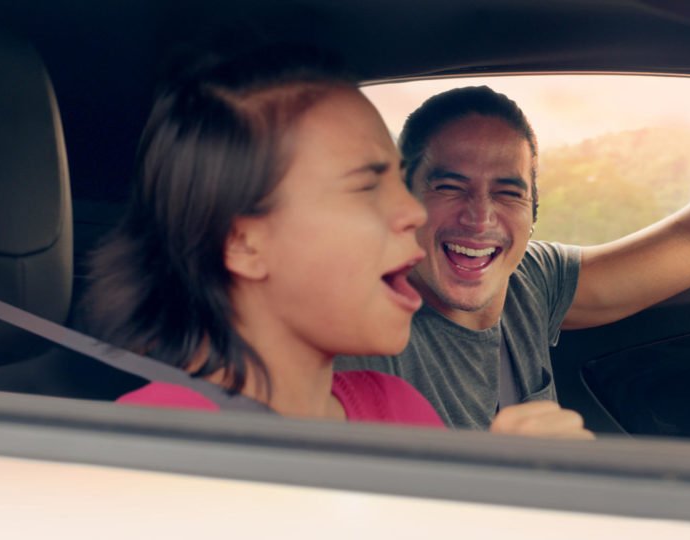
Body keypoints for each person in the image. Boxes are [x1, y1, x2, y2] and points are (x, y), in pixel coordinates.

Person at [337, 77, 690, 448]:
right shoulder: (359, 325)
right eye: (450, 186)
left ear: (532, 212)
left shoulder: (528, 278)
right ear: (402, 201)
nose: (479, 217)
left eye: (508, 192)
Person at [83, 46, 442, 427]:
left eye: (400, 179)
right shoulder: (149, 441)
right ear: (242, 243)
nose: (416, 213)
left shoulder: (402, 410)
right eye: (367, 186)